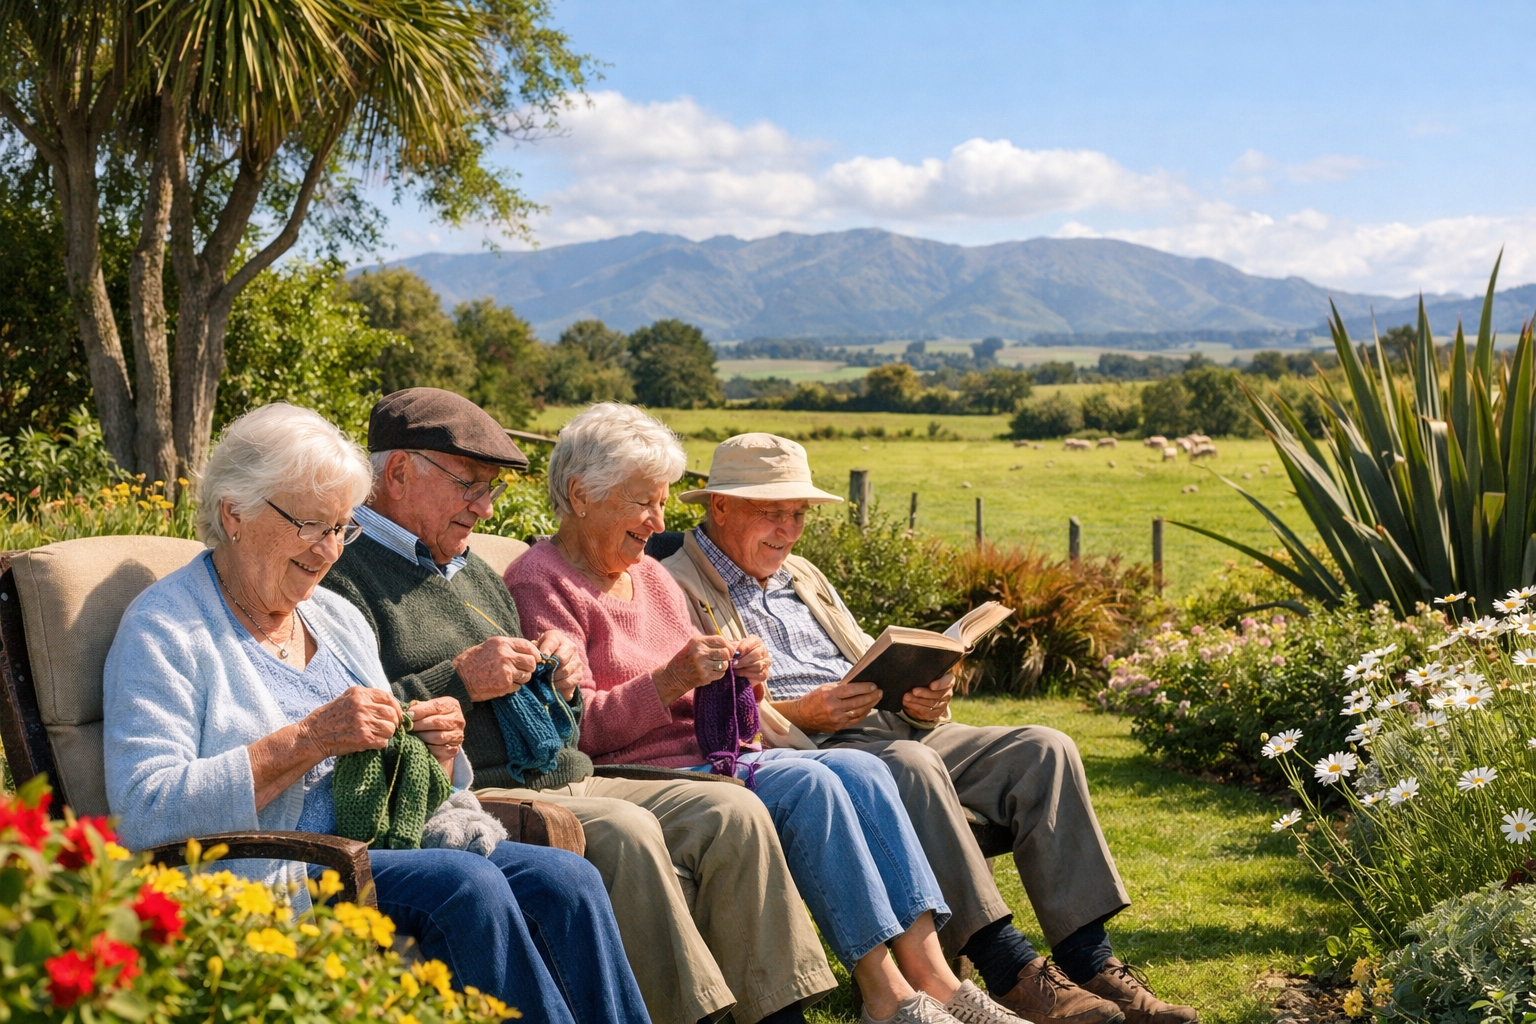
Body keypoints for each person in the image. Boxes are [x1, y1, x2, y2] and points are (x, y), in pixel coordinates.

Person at [104, 403, 649, 1024]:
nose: (330, 550)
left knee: (564, 882)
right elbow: (143, 808)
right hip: (285, 870)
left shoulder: (332, 617)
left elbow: (399, 767)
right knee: (464, 887)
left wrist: (431, 750)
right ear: (234, 514)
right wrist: (308, 739)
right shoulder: (168, 628)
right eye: (312, 525)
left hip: (387, 843)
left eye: (342, 528)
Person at [320, 388, 836, 1024]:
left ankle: (781, 1017)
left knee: (732, 811)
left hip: (564, 774)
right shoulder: (341, 572)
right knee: (628, 831)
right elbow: (348, 713)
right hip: (479, 793)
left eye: (492, 491)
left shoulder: (474, 573)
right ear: (398, 473)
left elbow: (555, 728)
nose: (484, 509)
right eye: (471, 486)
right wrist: (458, 680)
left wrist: (557, 679)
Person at [505, 403, 1023, 1024]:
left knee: (862, 771)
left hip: (712, 758)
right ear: (580, 494)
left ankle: (936, 981)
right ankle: (887, 1000)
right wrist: (671, 679)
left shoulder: (652, 578)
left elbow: (724, 718)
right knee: (811, 781)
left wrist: (742, 683)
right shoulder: (542, 581)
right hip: (636, 775)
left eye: (663, 501)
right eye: (643, 501)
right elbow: (575, 730)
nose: (659, 521)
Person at [661, 433, 1201, 1024]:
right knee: (911, 766)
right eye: (773, 513)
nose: (788, 531)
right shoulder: (676, 583)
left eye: (798, 515)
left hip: (886, 725)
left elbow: (862, 656)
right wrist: (802, 714)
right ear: (720, 506)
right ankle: (1011, 970)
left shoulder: (803, 575)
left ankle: (1091, 962)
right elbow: (706, 714)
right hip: (812, 749)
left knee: (1046, 747)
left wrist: (923, 694)